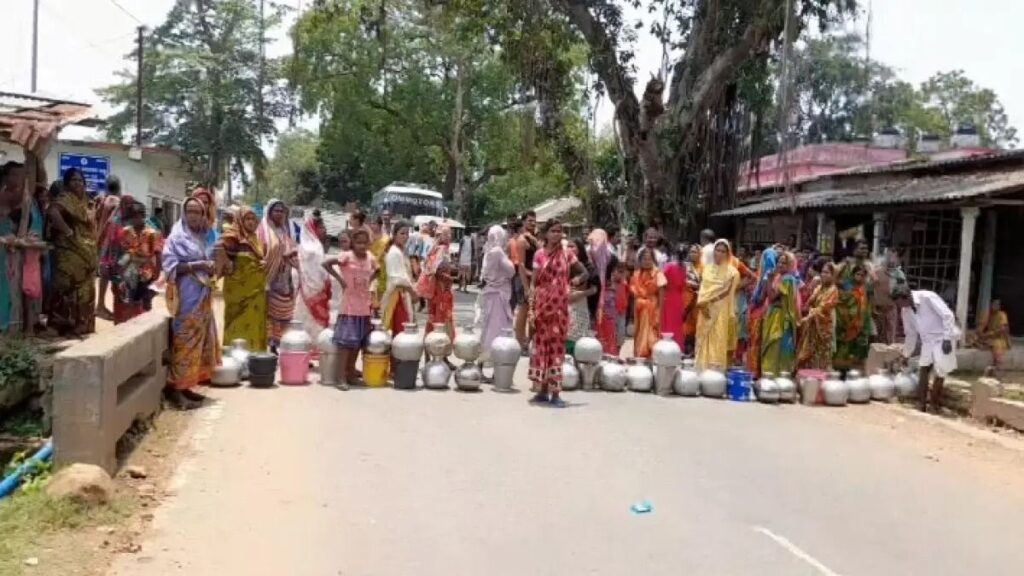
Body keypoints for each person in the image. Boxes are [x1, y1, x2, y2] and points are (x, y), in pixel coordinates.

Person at [162, 197, 218, 409]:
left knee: (198, 342)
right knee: (184, 340)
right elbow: (170, 266)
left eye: (198, 212)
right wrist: (199, 265)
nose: (194, 216)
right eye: (190, 211)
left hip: (202, 293)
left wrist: (210, 266)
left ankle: (186, 386)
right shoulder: (177, 237)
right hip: (186, 294)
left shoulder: (203, 236)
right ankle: (176, 390)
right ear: (184, 213)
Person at [529, 219, 588, 406]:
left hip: (559, 309)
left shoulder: (567, 254)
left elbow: (585, 272)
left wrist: (575, 281)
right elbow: (534, 282)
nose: (557, 234)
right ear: (546, 233)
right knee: (541, 348)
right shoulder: (539, 255)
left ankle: (555, 394)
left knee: (556, 350)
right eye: (553, 231)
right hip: (542, 306)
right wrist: (531, 306)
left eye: (559, 231)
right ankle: (542, 391)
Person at [46, 168, 98, 337]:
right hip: (68, 251)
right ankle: (58, 325)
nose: (78, 183)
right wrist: (68, 232)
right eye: (74, 180)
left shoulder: (86, 201)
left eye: (81, 180)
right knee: (64, 287)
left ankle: (81, 324)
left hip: (86, 252)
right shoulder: (65, 198)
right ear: (67, 183)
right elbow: (53, 212)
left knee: (85, 289)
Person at [323, 228, 377, 389]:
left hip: (364, 307)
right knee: (345, 345)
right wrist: (340, 279)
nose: (361, 246)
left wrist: (369, 282)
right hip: (349, 307)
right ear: (353, 243)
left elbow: (378, 270)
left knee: (358, 344)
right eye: (358, 242)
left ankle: (351, 373)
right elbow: (326, 264)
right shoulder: (346, 256)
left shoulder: (370, 258)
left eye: (364, 243)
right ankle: (340, 378)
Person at [894, 285, 959, 412]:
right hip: (928, 341)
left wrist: (947, 338)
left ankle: (934, 404)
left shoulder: (928, 297)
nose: (899, 306)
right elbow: (910, 334)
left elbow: (947, 315)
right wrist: (906, 354)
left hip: (943, 337)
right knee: (924, 368)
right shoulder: (905, 311)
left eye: (900, 303)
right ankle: (921, 403)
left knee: (940, 370)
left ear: (906, 297)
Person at [217, 206, 267, 351]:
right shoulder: (233, 237)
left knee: (254, 323)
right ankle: (235, 357)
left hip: (256, 293)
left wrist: (261, 263)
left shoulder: (256, 239)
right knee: (236, 324)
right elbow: (218, 249)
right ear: (240, 220)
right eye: (247, 219)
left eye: (253, 219)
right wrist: (228, 265)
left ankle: (254, 357)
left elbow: (259, 258)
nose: (251, 222)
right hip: (238, 294)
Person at [111, 198, 162, 324]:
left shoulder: (152, 233)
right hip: (129, 267)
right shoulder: (126, 231)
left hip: (146, 269)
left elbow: (157, 254)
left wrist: (157, 273)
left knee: (145, 298)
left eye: (135, 217)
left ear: (142, 216)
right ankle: (130, 320)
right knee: (129, 297)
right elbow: (122, 252)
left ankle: (146, 321)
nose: (132, 220)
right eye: (130, 217)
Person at [258, 199, 299, 352]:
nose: (280, 214)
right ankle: (270, 345)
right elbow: (261, 253)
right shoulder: (262, 232)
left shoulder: (284, 230)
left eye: (282, 211)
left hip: (285, 278)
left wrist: (292, 255)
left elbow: (291, 248)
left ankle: (279, 343)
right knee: (270, 314)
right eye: (276, 211)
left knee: (285, 312)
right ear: (269, 212)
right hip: (269, 278)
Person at [694, 240, 739, 371]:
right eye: (717, 250)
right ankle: (701, 370)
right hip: (705, 309)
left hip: (721, 310)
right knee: (703, 338)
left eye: (722, 251)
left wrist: (712, 301)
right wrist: (703, 304)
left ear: (728, 254)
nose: (719, 253)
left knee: (718, 339)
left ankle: (715, 373)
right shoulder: (706, 269)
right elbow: (703, 289)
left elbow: (729, 294)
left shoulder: (733, 273)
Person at [479, 225, 515, 367]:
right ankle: (493, 359)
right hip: (498, 294)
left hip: (493, 293)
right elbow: (511, 271)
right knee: (497, 329)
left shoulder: (489, 251)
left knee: (489, 328)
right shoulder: (498, 252)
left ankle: (484, 363)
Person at [294, 213, 332, 347]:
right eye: (321, 227)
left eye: (324, 227)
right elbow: (319, 270)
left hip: (305, 290)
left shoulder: (304, 246)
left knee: (304, 319)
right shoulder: (314, 248)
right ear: (312, 229)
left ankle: (303, 348)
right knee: (313, 321)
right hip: (314, 290)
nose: (324, 230)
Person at [760, 251, 801, 375]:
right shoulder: (780, 277)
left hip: (781, 320)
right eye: (779, 262)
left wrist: (769, 278)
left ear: (790, 265)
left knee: (776, 348)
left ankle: (776, 377)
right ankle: (771, 377)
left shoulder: (788, 279)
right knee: (771, 348)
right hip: (773, 316)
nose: (780, 264)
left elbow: (771, 297)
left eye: (785, 262)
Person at [798, 262, 839, 370]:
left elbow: (823, 307)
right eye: (822, 272)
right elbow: (809, 303)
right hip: (813, 326)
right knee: (810, 355)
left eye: (827, 272)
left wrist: (806, 317)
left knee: (822, 355)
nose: (823, 274)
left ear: (833, 275)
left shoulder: (833, 290)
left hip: (823, 328)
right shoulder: (819, 288)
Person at [420, 225, 455, 353]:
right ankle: (441, 355)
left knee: (433, 320)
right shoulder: (442, 249)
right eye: (447, 234)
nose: (450, 236)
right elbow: (436, 271)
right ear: (441, 236)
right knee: (442, 322)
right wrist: (449, 278)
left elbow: (429, 268)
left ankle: (429, 354)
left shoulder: (433, 249)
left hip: (434, 292)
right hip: (441, 292)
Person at [834, 263, 873, 372]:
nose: (860, 277)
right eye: (857, 274)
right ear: (853, 274)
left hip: (860, 322)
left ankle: (851, 370)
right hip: (846, 323)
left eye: (862, 275)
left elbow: (867, 306)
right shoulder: (846, 285)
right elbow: (841, 299)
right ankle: (839, 369)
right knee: (843, 347)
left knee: (857, 347)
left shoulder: (865, 288)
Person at [94, 175, 123, 320]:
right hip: (111, 243)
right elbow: (112, 222)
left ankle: (100, 305)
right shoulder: (116, 201)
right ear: (118, 187)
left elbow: (97, 219)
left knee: (103, 276)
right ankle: (105, 307)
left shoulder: (102, 200)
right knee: (112, 274)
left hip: (101, 241)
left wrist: (97, 238)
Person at [746, 247, 777, 376]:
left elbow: (761, 298)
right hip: (761, 311)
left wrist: (752, 307)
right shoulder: (770, 275)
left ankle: (754, 371)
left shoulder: (766, 277)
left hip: (759, 312)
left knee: (755, 342)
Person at [381, 221, 415, 336]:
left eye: (407, 234)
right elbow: (397, 280)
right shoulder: (394, 252)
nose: (405, 237)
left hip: (403, 296)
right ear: (394, 235)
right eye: (402, 233)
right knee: (400, 333)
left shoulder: (402, 252)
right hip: (396, 297)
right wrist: (412, 291)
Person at [630, 248, 666, 359]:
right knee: (639, 331)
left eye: (649, 259)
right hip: (639, 308)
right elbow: (634, 295)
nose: (647, 261)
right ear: (640, 260)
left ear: (653, 260)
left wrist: (659, 311)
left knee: (651, 332)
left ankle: (647, 355)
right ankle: (639, 355)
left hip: (652, 307)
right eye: (644, 259)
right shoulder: (636, 274)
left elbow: (661, 295)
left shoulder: (658, 273)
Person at [566, 238, 599, 355]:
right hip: (564, 304)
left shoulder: (588, 267)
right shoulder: (563, 264)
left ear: (580, 249)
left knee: (578, 337)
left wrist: (580, 294)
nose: (569, 249)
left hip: (580, 305)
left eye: (572, 246)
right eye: (568, 246)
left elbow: (595, 289)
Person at [514, 211, 539, 350]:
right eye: (529, 221)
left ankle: (530, 340)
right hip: (524, 279)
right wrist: (525, 286)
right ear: (523, 222)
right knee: (524, 310)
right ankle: (519, 341)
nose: (532, 223)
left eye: (534, 221)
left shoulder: (533, 239)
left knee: (533, 311)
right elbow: (521, 264)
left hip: (533, 279)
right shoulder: (522, 240)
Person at [873, 248, 908, 344]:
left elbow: (903, 291)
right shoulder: (876, 272)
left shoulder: (899, 274)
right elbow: (869, 289)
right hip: (876, 309)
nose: (891, 259)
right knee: (876, 335)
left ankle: (888, 355)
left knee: (890, 335)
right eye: (889, 256)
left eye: (894, 256)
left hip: (891, 308)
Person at [661, 245, 687, 350]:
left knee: (668, 322)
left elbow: (661, 279)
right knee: (676, 323)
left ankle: (666, 344)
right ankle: (676, 346)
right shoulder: (684, 267)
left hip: (668, 296)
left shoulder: (669, 266)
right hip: (678, 297)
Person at [976, 299, 1011, 370]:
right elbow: (980, 327)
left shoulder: (1002, 315)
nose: (995, 306)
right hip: (988, 337)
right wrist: (981, 333)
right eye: (993, 305)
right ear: (990, 305)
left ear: (999, 307)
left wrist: (991, 333)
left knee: (996, 345)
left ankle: (998, 366)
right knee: (973, 340)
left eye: (997, 305)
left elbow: (1003, 329)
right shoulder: (987, 314)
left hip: (1000, 338)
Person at [369, 216, 390, 310]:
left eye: (374, 223)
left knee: (381, 289)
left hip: (382, 267)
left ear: (380, 225)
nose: (372, 226)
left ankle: (377, 310)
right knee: (371, 288)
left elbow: (389, 253)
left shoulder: (387, 239)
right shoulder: (367, 238)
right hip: (369, 266)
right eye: (371, 223)